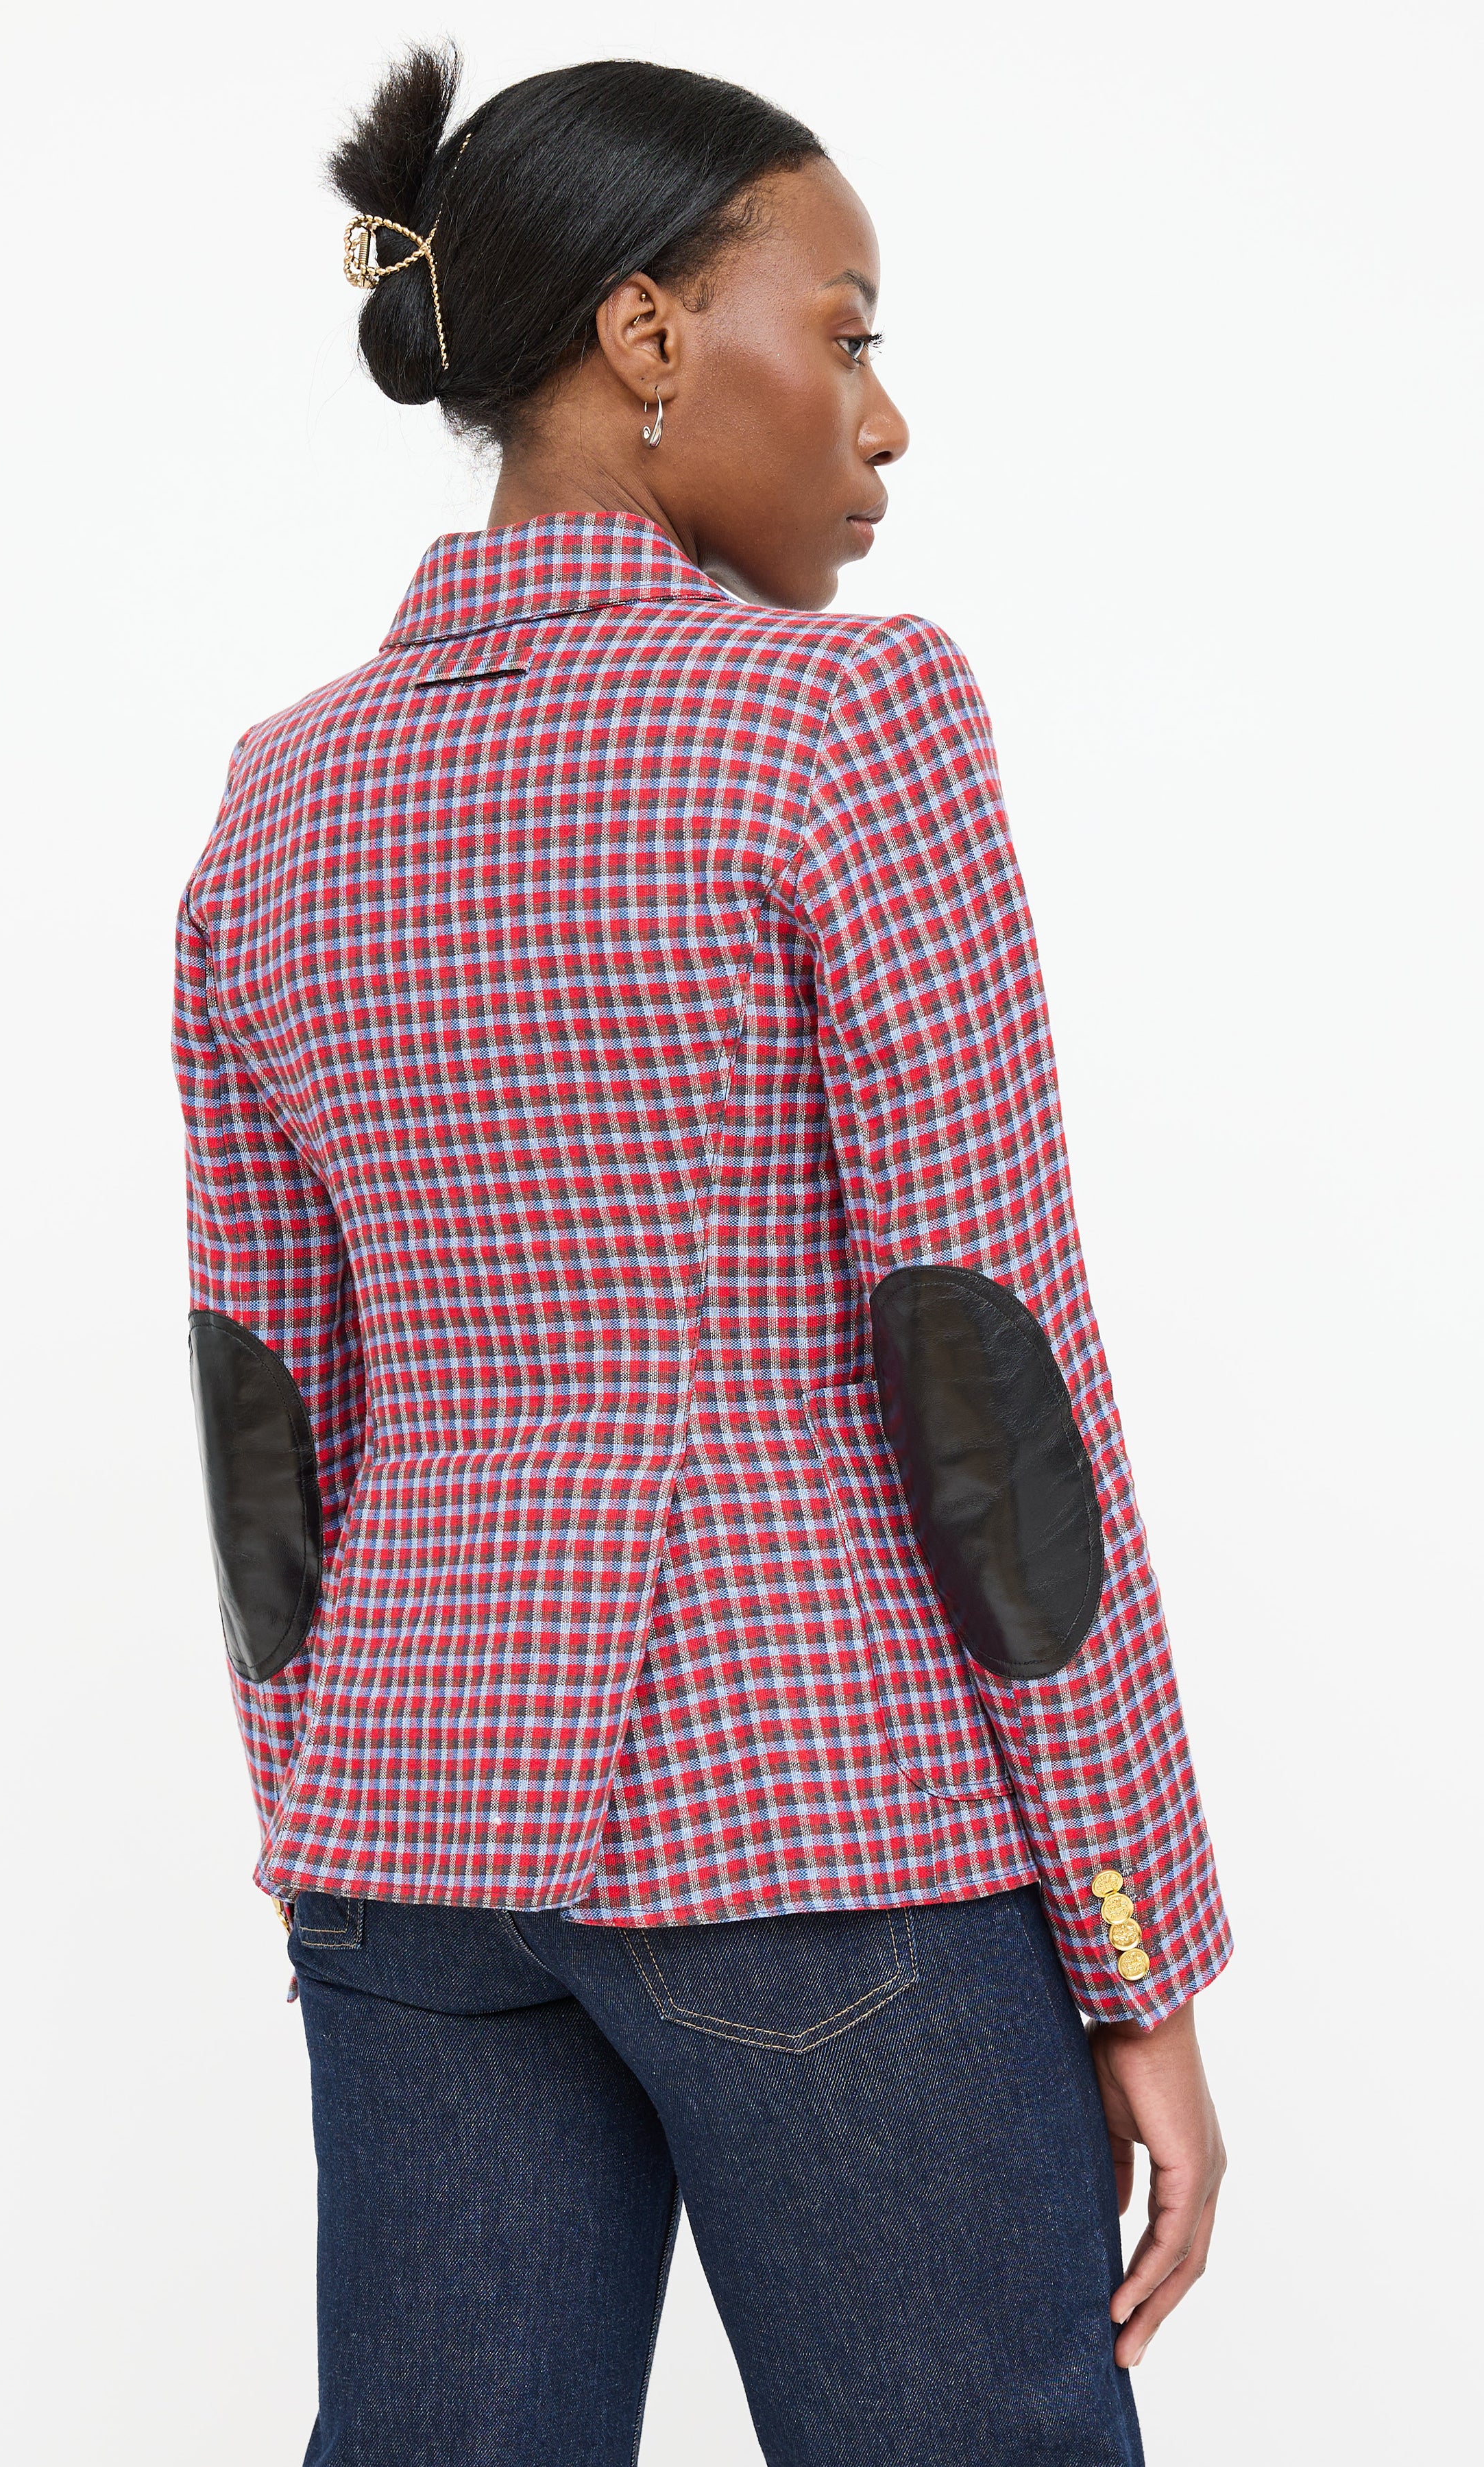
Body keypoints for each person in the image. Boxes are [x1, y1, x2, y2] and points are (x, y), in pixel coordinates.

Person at [173, 45, 1230, 2467]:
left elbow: (263, 1401)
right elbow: (985, 1366)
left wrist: (325, 1809)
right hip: (818, 1828)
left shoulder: (279, 793)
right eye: (844, 332)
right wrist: (1135, 1939)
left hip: (407, 1846)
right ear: (646, 334)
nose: (884, 419)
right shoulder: (845, 716)